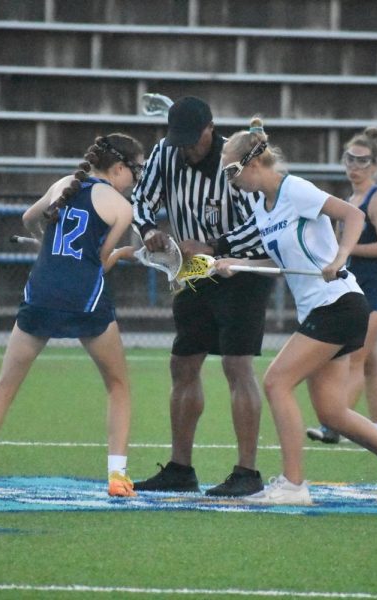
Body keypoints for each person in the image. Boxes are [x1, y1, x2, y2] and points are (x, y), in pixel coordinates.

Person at [214, 118, 377, 505]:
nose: (229, 179)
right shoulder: (263, 208)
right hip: (326, 307)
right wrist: (236, 263)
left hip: (338, 302)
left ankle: (293, 485)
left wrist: (342, 255)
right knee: (331, 411)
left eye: (231, 170)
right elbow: (277, 262)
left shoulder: (294, 188)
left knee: (277, 382)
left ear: (254, 163)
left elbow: (354, 216)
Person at [0, 134, 145, 497]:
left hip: (41, 291)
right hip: (84, 299)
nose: (136, 180)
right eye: (136, 171)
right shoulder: (121, 208)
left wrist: (48, 244)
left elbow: (28, 219)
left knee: (5, 386)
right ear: (119, 168)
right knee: (118, 386)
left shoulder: (63, 185)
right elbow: (100, 262)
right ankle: (117, 477)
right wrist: (124, 254)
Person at [130, 96, 274, 497]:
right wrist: (148, 231)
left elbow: (261, 225)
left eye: (193, 141)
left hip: (242, 270)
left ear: (210, 129)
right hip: (194, 270)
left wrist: (214, 245)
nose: (187, 149)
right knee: (183, 363)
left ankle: (247, 472)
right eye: (181, 142)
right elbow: (142, 199)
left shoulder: (233, 160)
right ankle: (180, 468)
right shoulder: (166, 151)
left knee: (236, 365)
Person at [306, 127, 377, 444]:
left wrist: (344, 250)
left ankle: (336, 424)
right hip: (356, 285)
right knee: (371, 361)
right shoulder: (349, 199)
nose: (355, 167)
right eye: (350, 160)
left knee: (356, 357)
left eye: (363, 161)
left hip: (376, 288)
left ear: (375, 164)